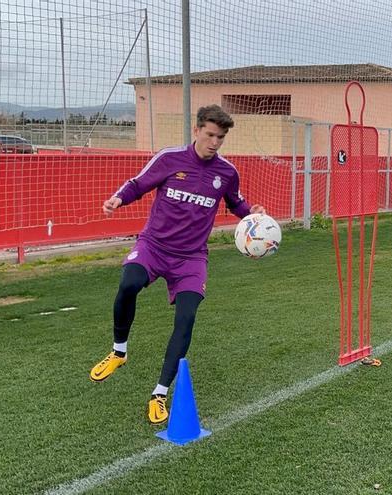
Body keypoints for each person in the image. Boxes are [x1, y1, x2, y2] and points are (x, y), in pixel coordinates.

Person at [89, 105, 264, 425]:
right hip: (153, 246)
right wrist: (118, 199)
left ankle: (159, 393)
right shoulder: (170, 158)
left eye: (220, 138)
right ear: (196, 130)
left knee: (186, 319)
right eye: (210, 135)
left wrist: (251, 212)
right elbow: (138, 183)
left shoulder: (226, 172)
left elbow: (235, 202)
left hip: (192, 258)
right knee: (128, 284)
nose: (214, 142)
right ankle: (119, 352)